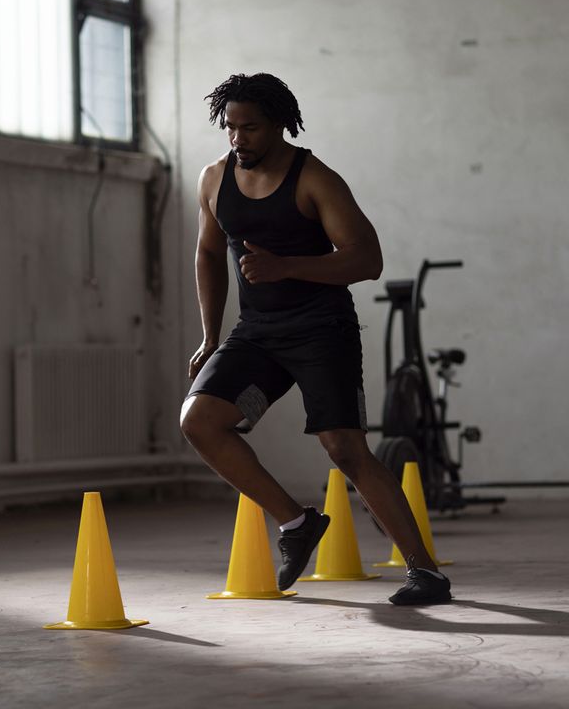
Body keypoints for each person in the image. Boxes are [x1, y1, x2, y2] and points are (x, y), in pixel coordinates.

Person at [179, 73, 452, 606]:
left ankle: (426, 573)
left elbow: (366, 260)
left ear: (280, 124)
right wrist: (210, 336)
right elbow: (209, 254)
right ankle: (298, 523)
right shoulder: (214, 178)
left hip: (321, 329)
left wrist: (286, 267)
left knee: (345, 449)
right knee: (200, 422)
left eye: (251, 128)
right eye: (230, 127)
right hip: (256, 333)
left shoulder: (315, 178)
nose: (238, 139)